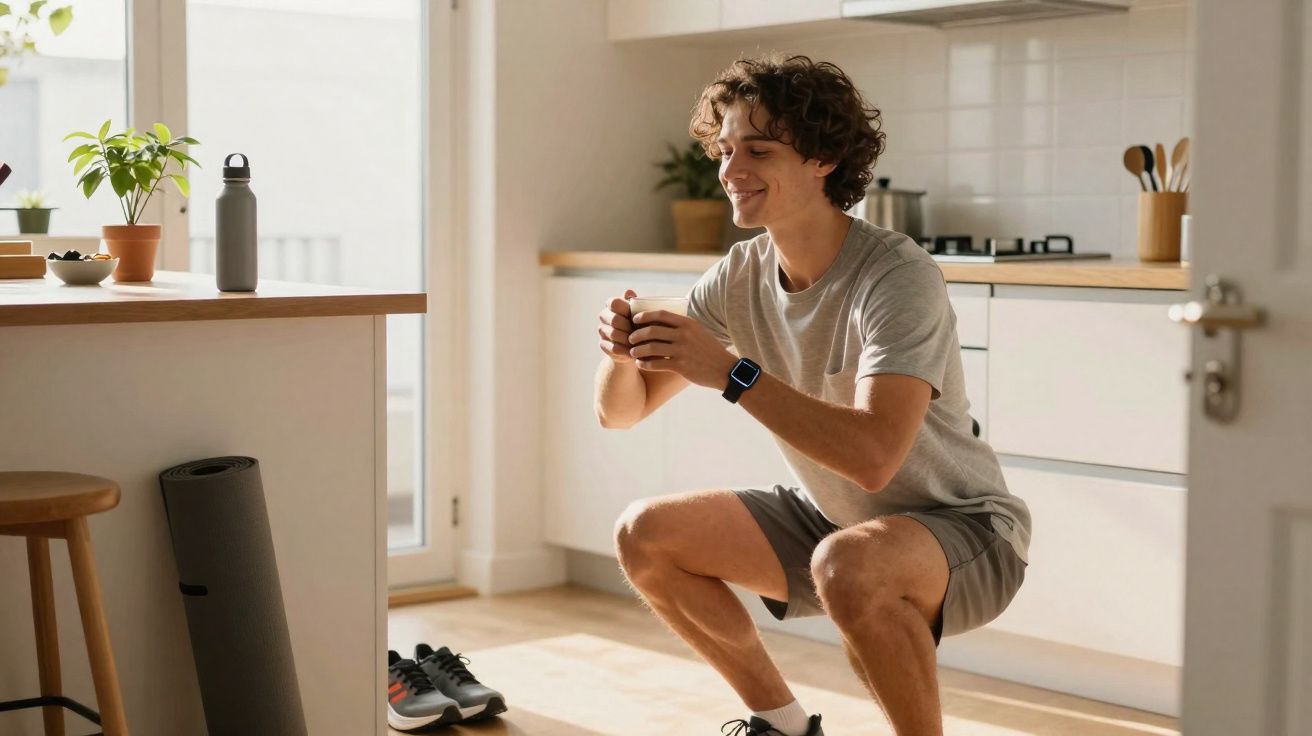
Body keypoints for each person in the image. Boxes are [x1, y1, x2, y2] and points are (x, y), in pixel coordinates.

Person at [594, 54, 1031, 736]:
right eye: (726, 150)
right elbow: (620, 413)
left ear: (823, 158)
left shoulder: (895, 276)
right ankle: (783, 727)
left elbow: (875, 458)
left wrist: (731, 374)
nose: (731, 171)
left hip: (966, 529)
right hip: (838, 519)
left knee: (849, 562)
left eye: (759, 151)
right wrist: (621, 353)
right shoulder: (739, 274)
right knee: (644, 535)